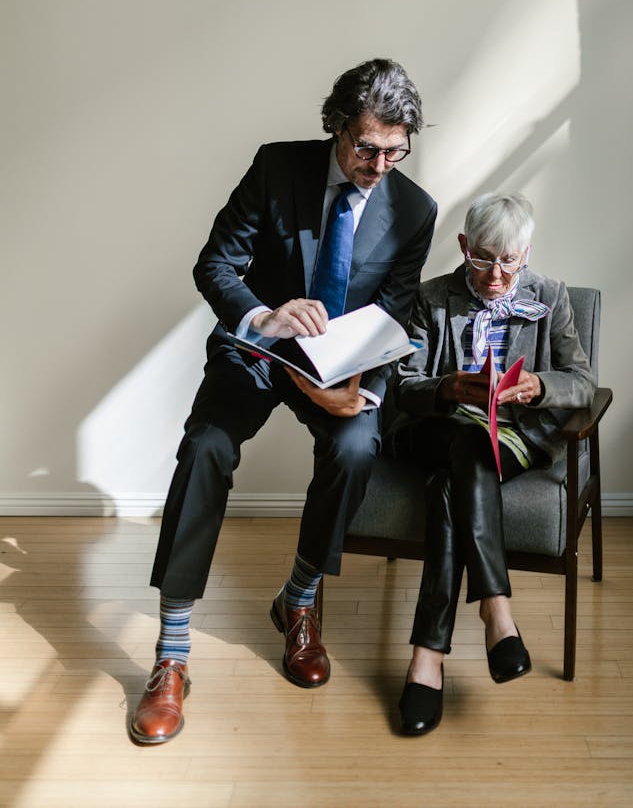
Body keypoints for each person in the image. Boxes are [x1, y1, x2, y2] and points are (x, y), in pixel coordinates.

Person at [129, 59, 437, 745]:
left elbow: (398, 316)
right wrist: (264, 315)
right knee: (205, 443)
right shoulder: (276, 168)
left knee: (358, 446)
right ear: (335, 126)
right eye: (366, 147)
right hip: (261, 349)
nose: (379, 163)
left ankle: (297, 602)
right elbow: (214, 262)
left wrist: (361, 390)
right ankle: (172, 652)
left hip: (339, 370)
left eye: (395, 149)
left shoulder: (414, 209)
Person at [388, 192, 595, 735]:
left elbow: (583, 380)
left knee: (454, 481)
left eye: (509, 260)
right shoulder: (431, 297)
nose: (497, 274)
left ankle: (426, 660)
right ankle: (496, 611)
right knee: (464, 443)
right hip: (436, 431)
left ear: (526, 253)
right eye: (483, 258)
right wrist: (448, 387)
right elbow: (400, 385)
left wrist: (539, 385)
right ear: (463, 247)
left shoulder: (550, 296)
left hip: (513, 437)